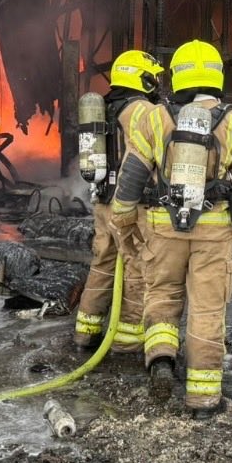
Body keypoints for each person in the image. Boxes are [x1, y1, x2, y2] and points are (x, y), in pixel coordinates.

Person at [110, 39, 232, 416]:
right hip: (214, 233)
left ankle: (161, 357)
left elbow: (130, 179)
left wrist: (124, 227)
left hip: (163, 227)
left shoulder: (154, 118)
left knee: (162, 295)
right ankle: (203, 398)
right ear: (217, 76)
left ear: (177, 77)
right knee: (207, 310)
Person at [72, 49, 164, 355]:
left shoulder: (104, 107)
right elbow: (154, 155)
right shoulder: (142, 110)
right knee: (137, 268)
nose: (157, 84)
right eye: (154, 78)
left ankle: (86, 332)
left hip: (102, 202)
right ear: (143, 78)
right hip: (133, 205)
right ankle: (127, 341)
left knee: (103, 264)